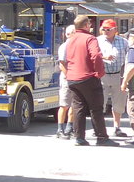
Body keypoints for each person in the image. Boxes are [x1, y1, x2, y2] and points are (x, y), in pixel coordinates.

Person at [62, 14, 116, 146]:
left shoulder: (71, 39)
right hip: (87, 76)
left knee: (78, 107)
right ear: (86, 25)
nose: (91, 26)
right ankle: (101, 137)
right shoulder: (90, 38)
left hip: (73, 78)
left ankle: (79, 137)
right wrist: (100, 72)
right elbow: (96, 55)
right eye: (89, 24)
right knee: (96, 108)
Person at [97, 19, 129, 137]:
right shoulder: (97, 41)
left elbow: (128, 59)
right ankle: (100, 128)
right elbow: (93, 56)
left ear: (115, 30)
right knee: (100, 103)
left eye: (108, 29)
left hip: (118, 75)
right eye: (104, 29)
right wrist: (104, 57)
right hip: (103, 75)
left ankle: (117, 127)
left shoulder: (124, 42)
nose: (106, 31)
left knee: (119, 103)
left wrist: (126, 77)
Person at [55, 26, 72, 139]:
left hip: (77, 78)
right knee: (64, 105)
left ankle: (70, 128)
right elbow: (61, 64)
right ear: (67, 34)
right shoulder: (64, 47)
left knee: (74, 105)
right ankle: (60, 129)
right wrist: (69, 76)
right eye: (73, 33)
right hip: (67, 78)